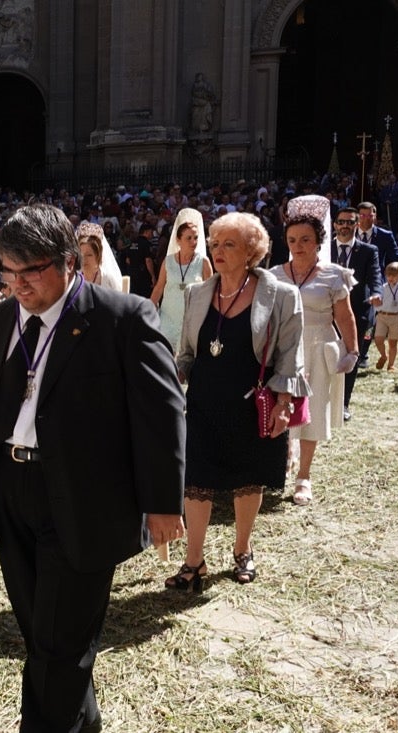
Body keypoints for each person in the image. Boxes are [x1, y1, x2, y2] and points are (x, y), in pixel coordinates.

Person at [0, 203, 185, 732]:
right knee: (46, 639)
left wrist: (162, 503)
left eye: (32, 271)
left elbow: (161, 414)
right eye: (8, 272)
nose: (18, 285)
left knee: (58, 646)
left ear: (69, 262)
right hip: (9, 495)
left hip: (86, 500)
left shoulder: (121, 319)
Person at [172, 212, 308, 590]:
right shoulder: (198, 293)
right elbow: (186, 353)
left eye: (229, 244)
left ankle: (243, 550)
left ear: (252, 251)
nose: (218, 251)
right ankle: (194, 560)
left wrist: (283, 402)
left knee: (247, 479)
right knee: (196, 479)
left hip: (252, 403)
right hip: (202, 402)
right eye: (215, 244)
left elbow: (290, 355)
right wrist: (171, 374)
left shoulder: (281, 294)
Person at [269, 201, 358, 505]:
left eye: (305, 240)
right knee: (281, 408)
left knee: (312, 412)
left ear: (319, 241)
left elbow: (345, 317)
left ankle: (303, 476)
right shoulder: (274, 275)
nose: (298, 246)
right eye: (292, 240)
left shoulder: (333, 276)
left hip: (319, 346)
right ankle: (283, 459)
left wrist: (353, 351)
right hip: (284, 350)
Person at [331, 207, 381, 417]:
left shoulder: (368, 251)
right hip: (327, 312)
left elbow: (375, 275)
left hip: (357, 311)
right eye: (341, 222)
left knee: (351, 355)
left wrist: (377, 293)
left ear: (356, 225)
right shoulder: (324, 250)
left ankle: (343, 404)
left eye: (350, 222)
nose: (345, 226)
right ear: (334, 225)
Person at [150, 209, 214, 351]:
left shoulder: (203, 262)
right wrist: (148, 308)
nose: (193, 242)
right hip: (168, 319)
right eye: (189, 238)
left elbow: (210, 292)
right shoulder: (168, 261)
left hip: (191, 321)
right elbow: (159, 287)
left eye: (196, 237)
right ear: (178, 240)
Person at [75, 221, 123, 292]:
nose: (84, 259)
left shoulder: (108, 279)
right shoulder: (74, 278)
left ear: (99, 255)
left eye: (89, 255)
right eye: (80, 254)